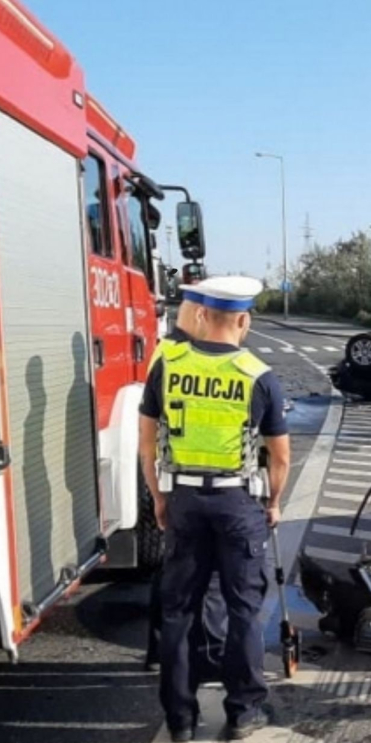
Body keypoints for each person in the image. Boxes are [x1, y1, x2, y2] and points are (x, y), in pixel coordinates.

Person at [138, 275, 291, 743]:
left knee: (179, 608)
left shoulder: (169, 364)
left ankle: (180, 719)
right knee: (244, 608)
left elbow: (147, 444)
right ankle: (244, 712)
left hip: (184, 499)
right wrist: (274, 501)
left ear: (202, 316)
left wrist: (160, 499)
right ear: (244, 320)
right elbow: (280, 455)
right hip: (237, 501)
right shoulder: (258, 376)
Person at [142, 284, 230, 678]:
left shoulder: (165, 351)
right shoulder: (182, 357)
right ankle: (207, 659)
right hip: (195, 479)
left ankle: (160, 651)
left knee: (172, 570)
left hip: (169, 476)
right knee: (204, 576)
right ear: (199, 317)